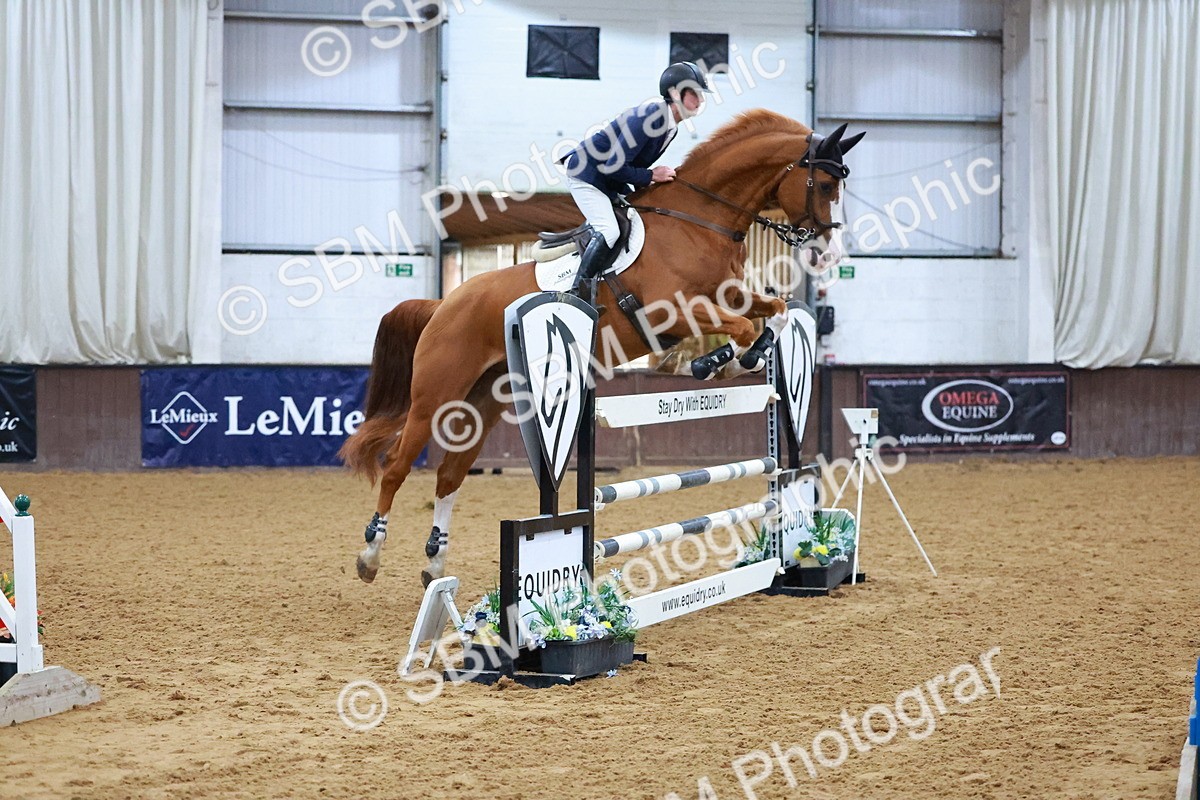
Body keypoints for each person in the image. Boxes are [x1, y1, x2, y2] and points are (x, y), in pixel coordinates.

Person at [561, 61, 711, 297]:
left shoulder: (672, 127)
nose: (700, 100)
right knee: (609, 230)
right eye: (694, 93)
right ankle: (578, 292)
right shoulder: (651, 116)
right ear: (675, 93)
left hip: (607, 178)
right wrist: (651, 175)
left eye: (701, 94)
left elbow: (627, 166)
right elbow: (614, 166)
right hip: (586, 173)